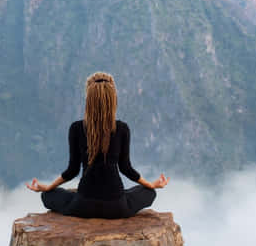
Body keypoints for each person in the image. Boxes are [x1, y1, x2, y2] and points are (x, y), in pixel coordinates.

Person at [25, 71, 169, 219]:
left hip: (82, 206)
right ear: (113, 99)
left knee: (47, 195)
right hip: (117, 207)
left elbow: (72, 171)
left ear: (88, 99)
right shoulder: (121, 129)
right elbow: (126, 168)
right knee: (149, 193)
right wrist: (151, 185)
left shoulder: (76, 128)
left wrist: (49, 187)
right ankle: (126, 195)